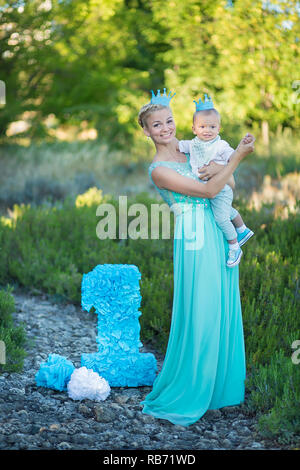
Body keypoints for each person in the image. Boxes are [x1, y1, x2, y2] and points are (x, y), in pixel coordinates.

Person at [138, 89, 255, 427]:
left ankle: (220, 392)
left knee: (220, 305)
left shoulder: (196, 147)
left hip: (217, 232)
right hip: (194, 235)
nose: (166, 128)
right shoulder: (158, 170)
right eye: (157, 125)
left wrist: (224, 165)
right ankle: (192, 388)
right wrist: (238, 157)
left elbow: (227, 183)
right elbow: (207, 190)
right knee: (201, 308)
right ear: (146, 131)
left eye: (170, 121)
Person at [178, 94, 254, 267]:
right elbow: (177, 146)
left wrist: (241, 147)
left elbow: (232, 158)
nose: (207, 130)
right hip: (209, 189)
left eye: (212, 126)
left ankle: (234, 246)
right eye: (202, 126)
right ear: (194, 129)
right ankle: (242, 229)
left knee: (221, 218)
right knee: (225, 211)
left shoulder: (220, 145)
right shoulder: (192, 144)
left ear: (219, 128)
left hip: (220, 188)